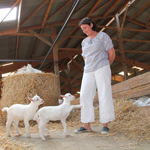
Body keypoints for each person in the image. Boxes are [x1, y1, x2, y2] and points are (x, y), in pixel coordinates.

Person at [74, 17, 115, 134]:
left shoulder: (102, 36)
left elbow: (111, 52)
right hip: (88, 70)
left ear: (91, 25)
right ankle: (86, 125)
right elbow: (85, 56)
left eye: (85, 28)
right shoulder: (84, 42)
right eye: (82, 29)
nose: (84, 31)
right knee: (84, 95)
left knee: (104, 93)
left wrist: (106, 65)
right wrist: (89, 65)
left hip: (102, 67)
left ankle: (105, 124)